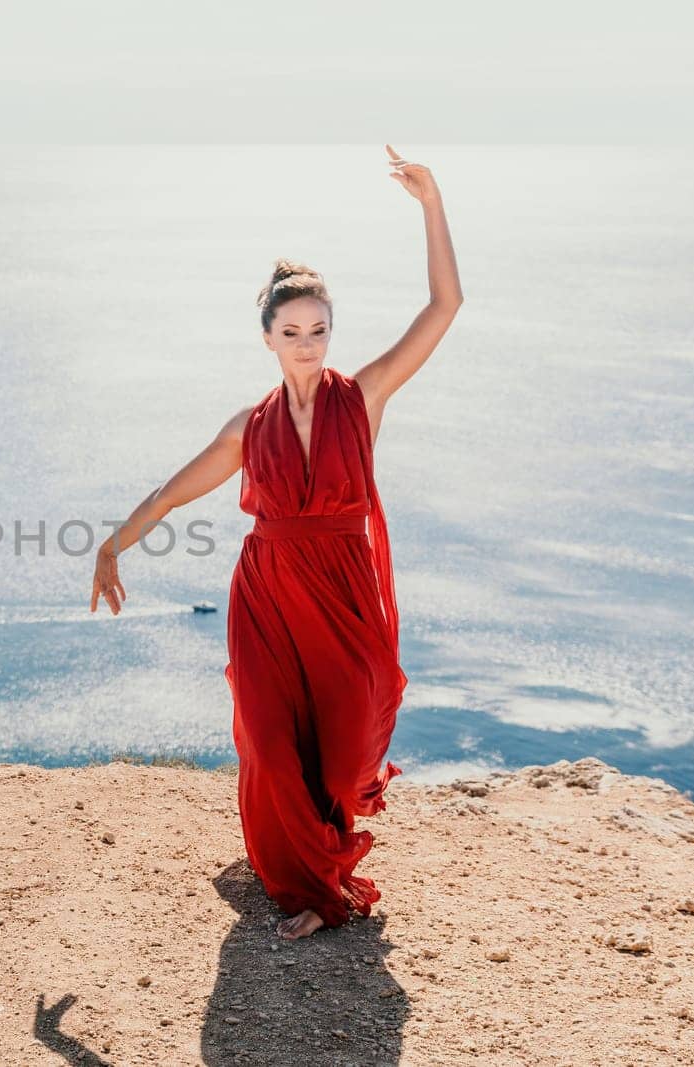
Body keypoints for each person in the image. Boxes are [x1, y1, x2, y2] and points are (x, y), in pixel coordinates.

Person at [90, 144, 463, 940]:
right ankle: (307, 890)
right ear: (267, 336)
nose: (308, 343)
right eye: (292, 331)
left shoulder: (362, 399)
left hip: (342, 591)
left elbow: (444, 306)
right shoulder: (245, 428)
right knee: (266, 738)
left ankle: (314, 859)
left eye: (320, 330)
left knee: (344, 748)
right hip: (264, 595)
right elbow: (169, 493)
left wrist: (431, 202)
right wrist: (111, 546)